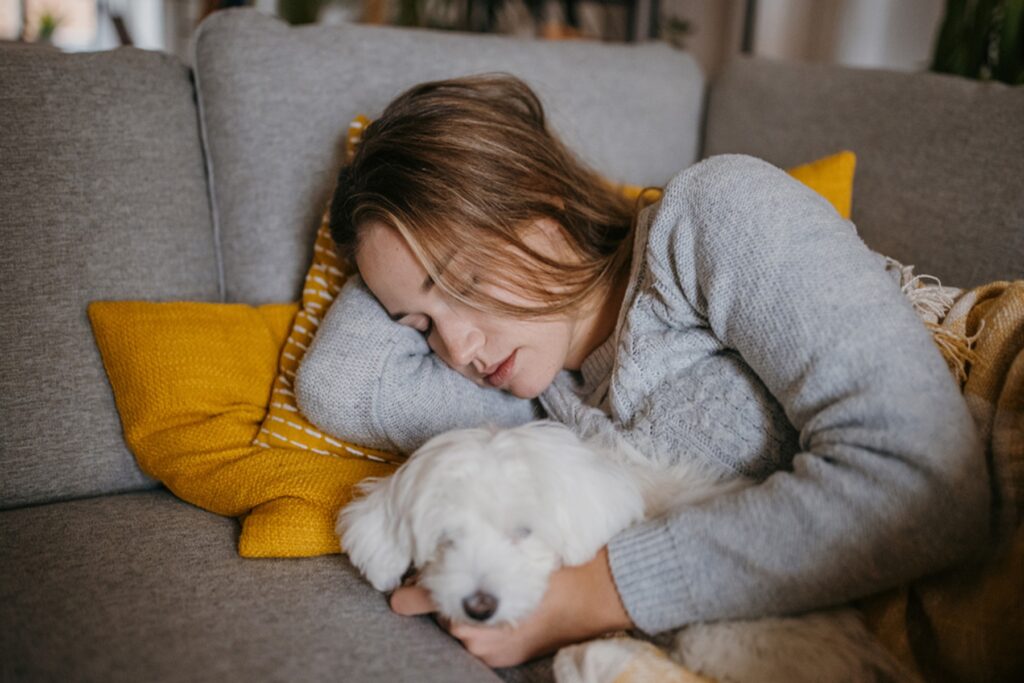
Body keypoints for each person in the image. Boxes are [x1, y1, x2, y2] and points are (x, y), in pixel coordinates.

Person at [293, 73, 989, 668]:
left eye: (466, 280)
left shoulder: (708, 220)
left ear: (540, 199)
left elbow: (927, 479)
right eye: (418, 326)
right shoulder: (533, 407)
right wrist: (383, 223)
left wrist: (596, 591)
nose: (458, 348)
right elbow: (339, 386)